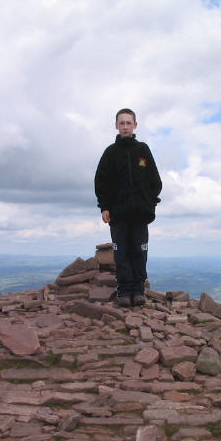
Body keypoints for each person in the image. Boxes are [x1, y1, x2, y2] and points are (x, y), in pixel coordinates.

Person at [95, 108, 162, 307]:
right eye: (121, 123)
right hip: (118, 214)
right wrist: (104, 207)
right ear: (116, 125)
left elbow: (155, 180)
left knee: (139, 252)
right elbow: (101, 182)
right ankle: (124, 291)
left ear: (135, 125)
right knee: (122, 253)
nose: (125, 126)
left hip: (140, 214)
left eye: (128, 123)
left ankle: (138, 290)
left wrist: (150, 202)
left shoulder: (143, 150)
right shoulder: (110, 152)